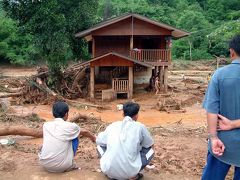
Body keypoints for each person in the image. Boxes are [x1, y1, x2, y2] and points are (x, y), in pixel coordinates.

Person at [202, 35, 240, 180]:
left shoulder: (220, 75)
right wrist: (235, 124)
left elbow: (212, 110)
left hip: (223, 143)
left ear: (232, 52)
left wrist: (213, 138)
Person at [96, 102, 154, 180]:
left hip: (108, 171)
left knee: (100, 145)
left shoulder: (113, 125)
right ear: (136, 115)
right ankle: (133, 175)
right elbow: (150, 144)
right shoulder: (140, 127)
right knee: (150, 149)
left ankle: (111, 169)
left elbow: (99, 140)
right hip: (130, 172)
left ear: (123, 114)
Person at [39, 101, 96, 173]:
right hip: (62, 167)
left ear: (53, 113)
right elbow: (84, 132)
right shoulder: (71, 126)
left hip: (45, 164)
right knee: (75, 136)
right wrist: (94, 138)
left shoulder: (46, 125)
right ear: (66, 114)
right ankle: (71, 164)